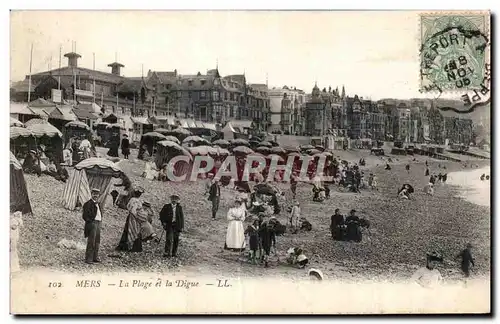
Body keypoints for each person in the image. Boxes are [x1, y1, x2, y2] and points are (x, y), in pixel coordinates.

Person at [116, 187, 145, 252]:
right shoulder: (140, 201)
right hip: (137, 217)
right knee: (136, 230)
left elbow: (128, 207)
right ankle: (136, 247)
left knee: (128, 230)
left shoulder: (132, 200)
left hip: (132, 216)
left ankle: (124, 246)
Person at [82, 188, 102, 264]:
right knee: (91, 241)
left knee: (97, 241)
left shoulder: (98, 204)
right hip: (92, 223)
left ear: (99, 195)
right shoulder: (87, 204)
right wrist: (90, 222)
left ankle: (95, 257)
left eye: (97, 194)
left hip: (98, 223)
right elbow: (84, 216)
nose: (95, 196)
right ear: (91, 194)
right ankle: (88, 259)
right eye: (94, 194)